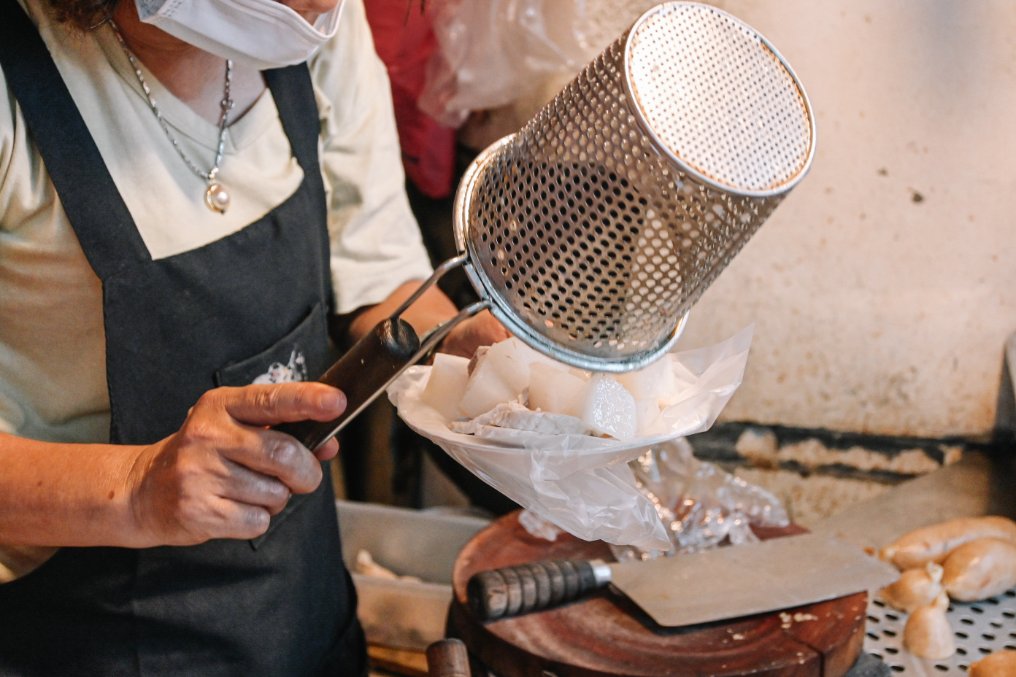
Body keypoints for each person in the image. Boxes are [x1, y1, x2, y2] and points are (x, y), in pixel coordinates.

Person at [0, 0, 508, 673]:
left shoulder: (306, 26)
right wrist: (140, 485)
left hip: (304, 618)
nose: (323, 6)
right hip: (93, 639)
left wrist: (484, 356)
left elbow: (377, 276)